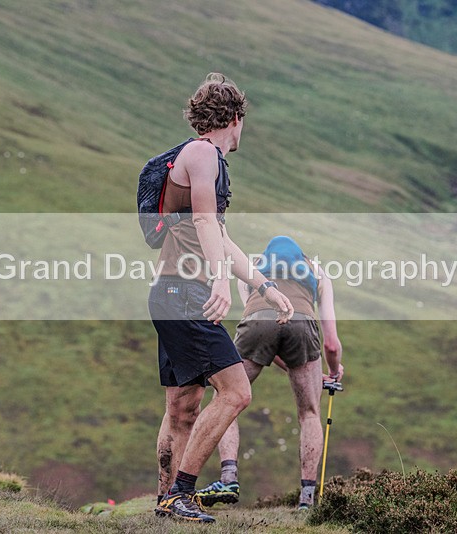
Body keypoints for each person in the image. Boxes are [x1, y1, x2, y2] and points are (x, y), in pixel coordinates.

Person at [149, 73, 294, 523]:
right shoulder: (202, 154)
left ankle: (164, 501)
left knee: (182, 406)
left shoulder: (197, 158)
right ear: (235, 118)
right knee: (236, 392)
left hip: (171, 293)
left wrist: (263, 285)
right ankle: (182, 495)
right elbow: (207, 226)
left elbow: (221, 237)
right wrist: (219, 282)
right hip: (185, 294)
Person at [196, 236, 344, 510]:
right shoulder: (318, 272)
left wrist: (290, 365)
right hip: (303, 327)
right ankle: (306, 500)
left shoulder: (251, 270)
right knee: (309, 414)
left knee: (226, 398)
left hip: (257, 321)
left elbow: (267, 332)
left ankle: (228, 476)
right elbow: (331, 344)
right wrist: (332, 372)